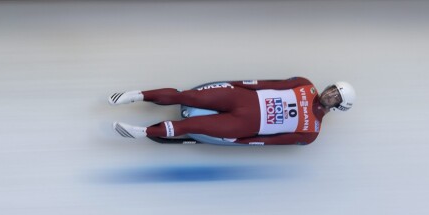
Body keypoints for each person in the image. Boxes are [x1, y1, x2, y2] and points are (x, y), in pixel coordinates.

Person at [109, 78, 355, 145]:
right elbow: (268, 83)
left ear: (338, 107)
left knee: (192, 127)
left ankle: (142, 132)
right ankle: (136, 95)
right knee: (189, 96)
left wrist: (243, 141)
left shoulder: (311, 132)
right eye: (332, 89)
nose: (330, 94)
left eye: (336, 97)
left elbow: (272, 141)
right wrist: (238, 85)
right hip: (243, 98)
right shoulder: (304, 84)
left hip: (245, 126)